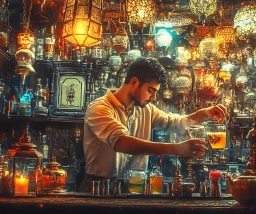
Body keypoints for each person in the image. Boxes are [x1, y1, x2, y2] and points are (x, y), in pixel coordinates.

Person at [79, 57, 228, 192]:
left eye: (156, 91)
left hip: (135, 184)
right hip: (99, 186)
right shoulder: (99, 108)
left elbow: (178, 123)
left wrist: (204, 112)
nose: (154, 97)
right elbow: (120, 142)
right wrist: (175, 149)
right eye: (150, 90)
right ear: (134, 82)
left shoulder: (146, 109)